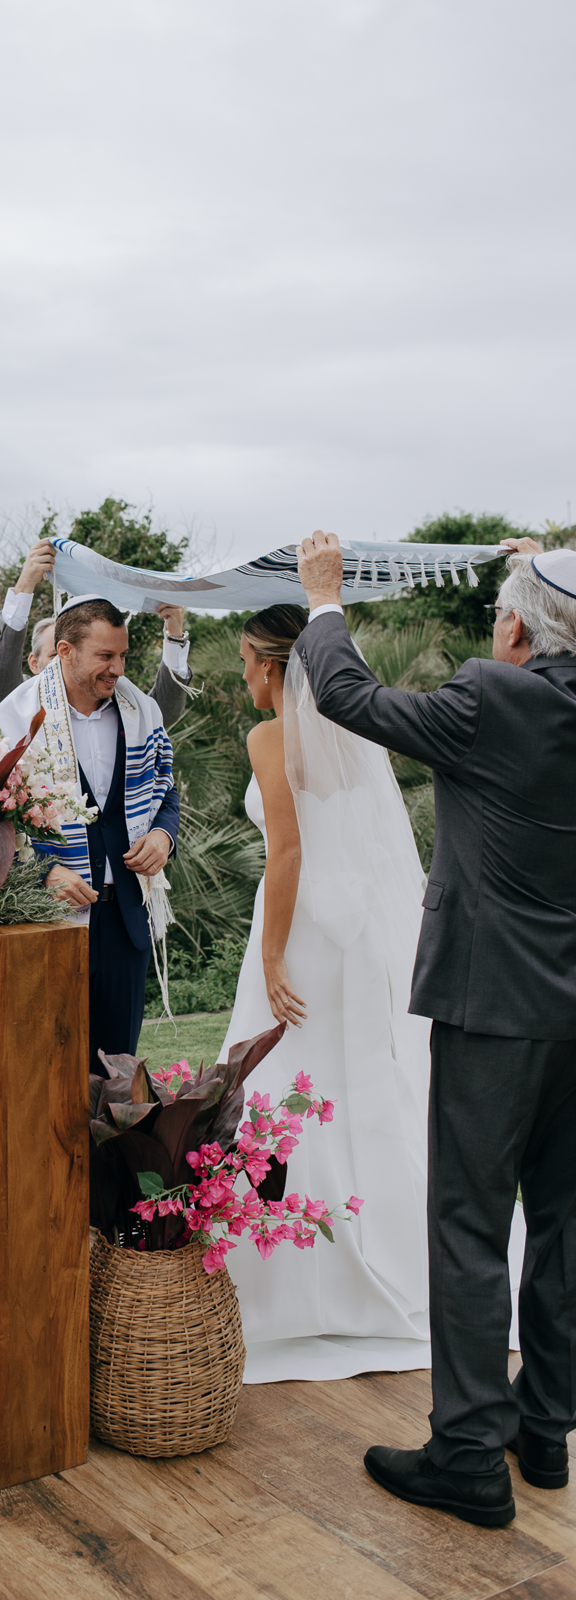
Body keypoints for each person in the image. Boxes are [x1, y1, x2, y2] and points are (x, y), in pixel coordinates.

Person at [294, 527, 576, 1530]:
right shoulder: (538, 690)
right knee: (561, 1221)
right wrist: (540, 568)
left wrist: (323, 601)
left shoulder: (489, 699)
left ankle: (466, 1452)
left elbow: (349, 699)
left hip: (491, 1005)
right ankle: (543, 1429)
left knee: (466, 1223)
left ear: (512, 629)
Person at [218, 604, 434, 1388]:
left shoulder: (271, 735)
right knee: (353, 1089)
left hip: (303, 932)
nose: (240, 673)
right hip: (354, 936)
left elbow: (289, 850)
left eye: (245, 658)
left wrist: (272, 955)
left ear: (273, 667)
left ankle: (282, 1283)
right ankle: (390, 1259)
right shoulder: (352, 732)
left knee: (275, 1084)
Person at [0, 595, 179, 1065]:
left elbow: (166, 787)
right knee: (47, 1066)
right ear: (65, 652)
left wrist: (162, 836)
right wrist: (43, 872)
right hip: (47, 920)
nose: (118, 668)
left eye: (123, 656)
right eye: (105, 656)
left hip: (126, 921)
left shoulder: (140, 710)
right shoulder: (14, 717)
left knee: (117, 1072)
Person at [0, 539, 193, 725]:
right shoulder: (22, 707)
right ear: (34, 663)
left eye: (121, 656)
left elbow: (163, 713)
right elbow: (1, 683)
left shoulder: (124, 705)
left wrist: (174, 637)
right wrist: (24, 586)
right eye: (55, 656)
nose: (118, 669)